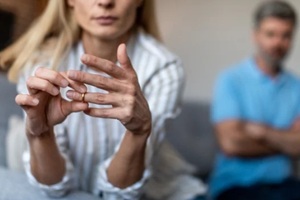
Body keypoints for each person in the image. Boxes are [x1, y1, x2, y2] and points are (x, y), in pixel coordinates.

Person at [0, 0, 206, 199]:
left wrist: (140, 131)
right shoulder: (41, 63)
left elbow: (120, 195)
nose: (105, 2)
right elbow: (54, 189)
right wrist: (41, 135)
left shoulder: (164, 68)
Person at [210, 1, 300, 200]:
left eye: (286, 35)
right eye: (270, 34)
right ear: (256, 35)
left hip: (286, 185)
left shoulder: (297, 86)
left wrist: (260, 132)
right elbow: (231, 144)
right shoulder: (230, 80)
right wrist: (285, 141)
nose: (278, 43)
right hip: (235, 186)